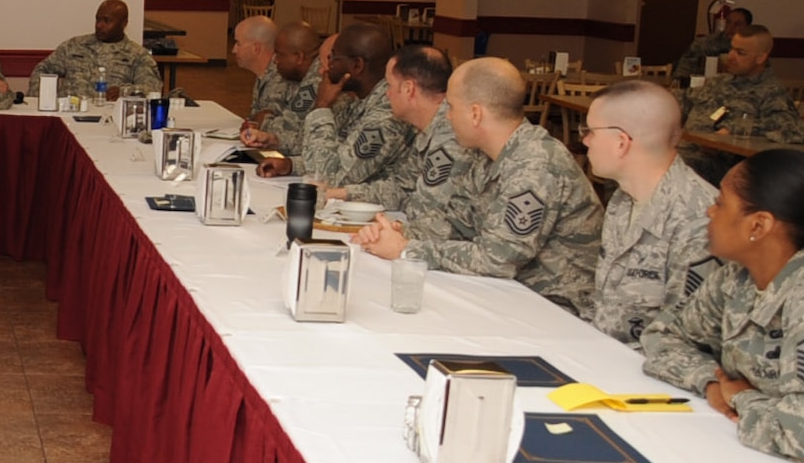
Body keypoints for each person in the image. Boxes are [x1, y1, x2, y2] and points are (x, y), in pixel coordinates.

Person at [357, 57, 604, 317]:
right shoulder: (486, 155)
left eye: (452, 107)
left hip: (555, 310)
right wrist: (398, 232)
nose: (447, 116)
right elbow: (456, 225)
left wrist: (406, 249)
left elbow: (498, 259)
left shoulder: (535, 165)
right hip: (508, 294)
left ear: (475, 114)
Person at [641, 148, 804, 462]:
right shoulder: (736, 277)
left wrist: (742, 397)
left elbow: (798, 432)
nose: (709, 211)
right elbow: (662, 336)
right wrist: (711, 381)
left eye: (721, 203)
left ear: (758, 226)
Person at [584, 81, 717, 346]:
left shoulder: (698, 219)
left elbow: (685, 340)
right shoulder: (623, 198)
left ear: (621, 143)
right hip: (603, 349)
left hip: (650, 365)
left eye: (590, 131)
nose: (585, 140)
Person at [328, 43, 464, 241]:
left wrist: (395, 234)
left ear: (408, 89)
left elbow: (430, 218)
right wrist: (344, 193)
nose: (387, 94)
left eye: (390, 85)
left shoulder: (449, 136)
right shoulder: (428, 129)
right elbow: (402, 188)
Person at [256, 23, 415, 189]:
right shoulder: (356, 100)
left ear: (357, 65)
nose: (322, 71)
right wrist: (291, 165)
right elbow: (333, 154)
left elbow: (329, 176)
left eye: (332, 58)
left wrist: (321, 107)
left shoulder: (386, 115)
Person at [679, 25, 803, 184]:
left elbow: (792, 130)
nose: (730, 56)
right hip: (683, 150)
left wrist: (735, 130)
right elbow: (683, 100)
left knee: (670, 167)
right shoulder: (719, 82)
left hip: (720, 167)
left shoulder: (771, 93)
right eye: (731, 49)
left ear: (760, 58)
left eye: (740, 53)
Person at [30, 0, 162, 100]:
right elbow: (42, 70)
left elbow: (152, 90)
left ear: (124, 24)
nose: (99, 25)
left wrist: (124, 92)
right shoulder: (74, 46)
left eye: (107, 21)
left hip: (110, 119)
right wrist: (40, 102)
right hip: (69, 115)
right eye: (98, 19)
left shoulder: (137, 55)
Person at [240, 22, 321, 154]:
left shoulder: (316, 80)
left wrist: (263, 121)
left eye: (279, 54)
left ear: (299, 57)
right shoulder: (297, 74)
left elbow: (287, 131)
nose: (275, 60)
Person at [672, 5, 750, 82]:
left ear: (747, 27)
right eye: (728, 22)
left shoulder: (750, 47)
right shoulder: (705, 43)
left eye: (738, 24)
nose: (731, 27)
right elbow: (683, 70)